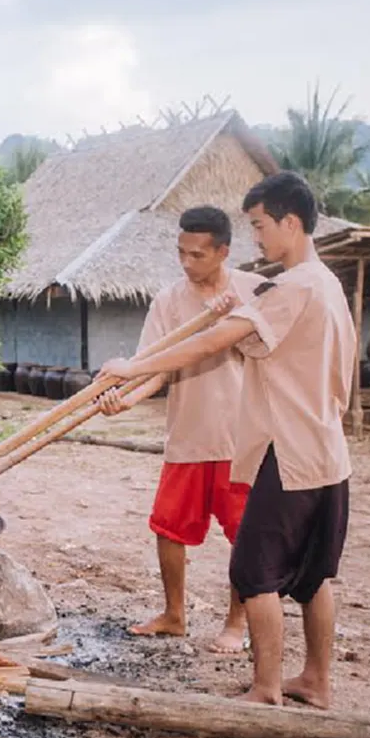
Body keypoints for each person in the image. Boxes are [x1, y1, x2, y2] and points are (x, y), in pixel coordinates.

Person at [99, 171, 354, 708]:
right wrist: (135, 382)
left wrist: (133, 364)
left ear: (289, 222)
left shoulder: (292, 287)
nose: (258, 237)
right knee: (311, 576)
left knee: (253, 571)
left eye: (261, 225)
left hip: (287, 452)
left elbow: (217, 340)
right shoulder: (329, 285)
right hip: (327, 451)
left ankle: (265, 689)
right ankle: (315, 681)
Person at [97, 206, 265, 653]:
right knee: (168, 528)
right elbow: (156, 367)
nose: (187, 263)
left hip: (240, 439)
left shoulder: (251, 293)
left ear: (223, 251)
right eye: (181, 253)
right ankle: (174, 614)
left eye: (198, 255)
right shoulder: (169, 301)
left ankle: (235, 623)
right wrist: (125, 400)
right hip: (187, 437)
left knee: (243, 534)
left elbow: (267, 357)